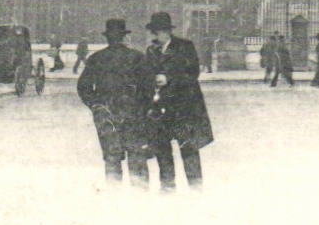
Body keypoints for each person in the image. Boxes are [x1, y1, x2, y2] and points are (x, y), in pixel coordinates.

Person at [75, 19, 151, 187]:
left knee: (112, 159)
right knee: (137, 160)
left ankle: (113, 201)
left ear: (107, 38)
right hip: (133, 114)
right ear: (124, 37)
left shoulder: (96, 59)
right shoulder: (137, 57)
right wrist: (142, 108)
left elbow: (83, 87)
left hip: (106, 115)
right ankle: (142, 202)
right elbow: (148, 89)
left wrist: (96, 105)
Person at [144, 12, 215, 189]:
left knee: (189, 149)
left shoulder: (184, 47)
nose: (155, 36)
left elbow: (192, 74)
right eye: (153, 32)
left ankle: (196, 188)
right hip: (161, 108)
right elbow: (146, 74)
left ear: (167, 32)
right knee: (162, 150)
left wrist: (168, 79)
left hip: (183, 107)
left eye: (158, 32)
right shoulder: (151, 51)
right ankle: (167, 187)